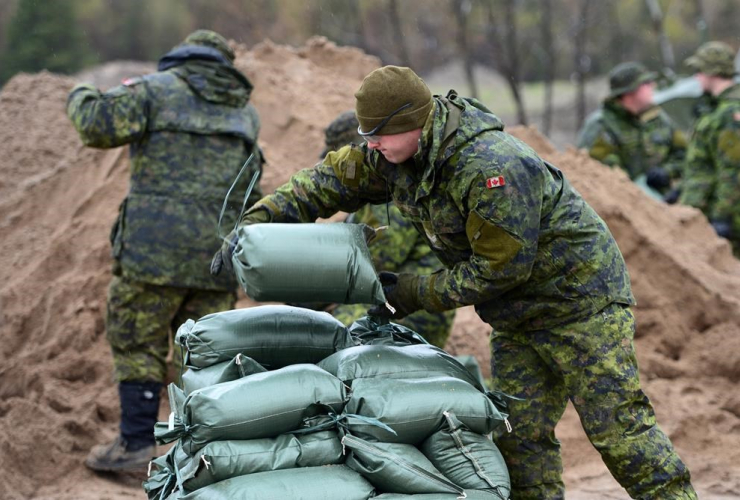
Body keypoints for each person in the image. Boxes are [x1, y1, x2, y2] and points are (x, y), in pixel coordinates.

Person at [215, 65, 696, 499]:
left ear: (413, 123)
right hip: (517, 317)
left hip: (580, 306)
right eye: (367, 135)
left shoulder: (490, 167)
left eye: (378, 134)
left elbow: (501, 269)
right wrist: (253, 229)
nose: (371, 145)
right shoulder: (393, 155)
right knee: (520, 438)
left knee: (619, 431)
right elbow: (323, 184)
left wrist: (412, 292)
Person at [67, 29, 263, 472]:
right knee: (202, 353)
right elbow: (251, 188)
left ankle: (136, 445)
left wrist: (78, 89)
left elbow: (95, 125)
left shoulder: (156, 91)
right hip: (216, 258)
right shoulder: (246, 114)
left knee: (138, 340)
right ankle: (201, 453)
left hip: (150, 255)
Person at [321, 111, 455, 348]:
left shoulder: (389, 191)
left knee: (329, 336)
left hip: (412, 309)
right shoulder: (378, 187)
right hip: (391, 300)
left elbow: (378, 260)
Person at [577, 62, 687, 200]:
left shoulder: (658, 119)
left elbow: (684, 155)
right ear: (629, 91)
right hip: (623, 207)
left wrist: (666, 172)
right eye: (646, 83)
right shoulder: (601, 125)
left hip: (662, 204)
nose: (652, 86)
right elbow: (595, 174)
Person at [679, 41, 740, 252]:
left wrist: (723, 216)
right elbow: (705, 166)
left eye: (699, 70)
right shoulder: (715, 109)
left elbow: (732, 170)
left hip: (725, 219)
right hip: (706, 212)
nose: (697, 76)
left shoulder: (729, 114)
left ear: (712, 71)